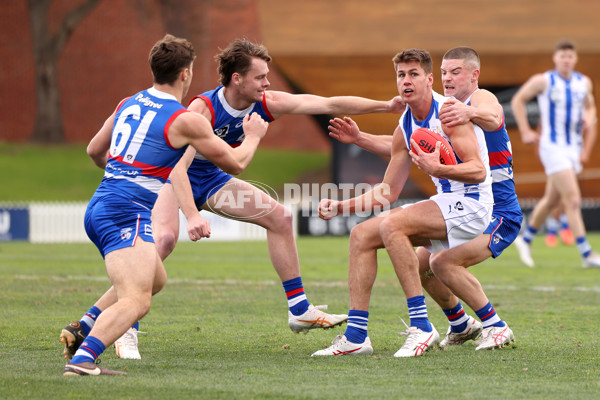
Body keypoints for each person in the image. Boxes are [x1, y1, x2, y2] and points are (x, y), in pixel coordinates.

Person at [61, 38, 405, 360]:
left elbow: (327, 103)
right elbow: (177, 169)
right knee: (162, 241)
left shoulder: (266, 103)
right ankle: (125, 328)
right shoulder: (202, 108)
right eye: (261, 77)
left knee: (280, 218)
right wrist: (192, 215)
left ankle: (300, 310)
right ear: (237, 79)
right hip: (171, 179)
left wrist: (384, 105)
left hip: (211, 179)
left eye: (268, 77)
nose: (267, 84)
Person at [60, 34, 269, 376]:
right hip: (123, 212)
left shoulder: (129, 102)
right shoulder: (186, 119)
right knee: (137, 299)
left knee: (155, 279)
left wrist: (122, 173)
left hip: (105, 203)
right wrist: (255, 136)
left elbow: (94, 151)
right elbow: (235, 163)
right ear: (186, 74)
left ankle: (84, 326)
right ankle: (84, 359)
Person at [311, 48, 494, 357]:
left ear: (429, 79)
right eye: (400, 75)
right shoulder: (405, 126)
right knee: (361, 236)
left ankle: (421, 326)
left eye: (413, 74)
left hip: (474, 204)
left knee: (394, 225)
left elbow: (478, 171)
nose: (406, 81)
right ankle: (356, 337)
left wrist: (438, 169)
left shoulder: (448, 112)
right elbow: (387, 192)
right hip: (447, 203)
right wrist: (341, 206)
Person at [511, 40, 600, 268]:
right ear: (555, 58)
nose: (566, 60)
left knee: (552, 200)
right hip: (552, 147)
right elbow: (518, 100)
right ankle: (587, 253)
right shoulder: (544, 80)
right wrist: (525, 130)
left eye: (570, 56)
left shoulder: (583, 83)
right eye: (562, 56)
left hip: (573, 148)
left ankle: (526, 238)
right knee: (573, 198)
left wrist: (588, 118)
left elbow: (591, 108)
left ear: (575, 59)